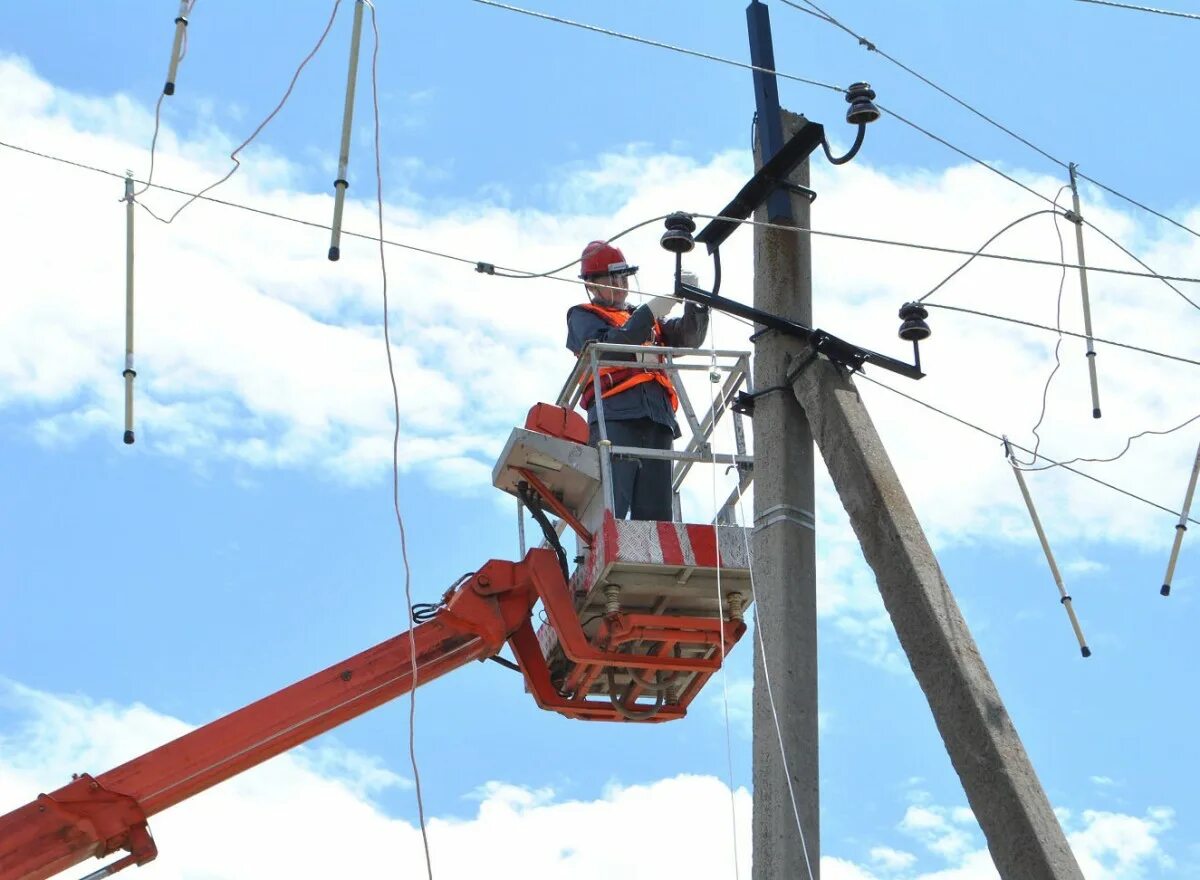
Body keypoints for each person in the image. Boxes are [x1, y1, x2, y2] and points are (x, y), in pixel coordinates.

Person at [565, 240, 709, 521]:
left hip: (658, 417)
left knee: (656, 514)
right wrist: (649, 312)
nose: (622, 282)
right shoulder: (583, 316)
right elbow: (607, 347)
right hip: (615, 415)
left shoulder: (643, 319)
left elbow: (689, 338)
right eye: (614, 277)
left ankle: (653, 555)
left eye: (624, 276)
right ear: (592, 285)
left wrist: (696, 302)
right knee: (611, 508)